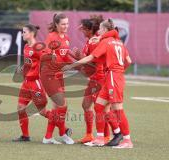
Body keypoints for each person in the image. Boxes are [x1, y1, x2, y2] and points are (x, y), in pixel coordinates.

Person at [62, 19, 133, 148]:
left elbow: (91, 58)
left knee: (118, 110)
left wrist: (73, 65)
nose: (98, 31)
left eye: (100, 29)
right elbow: (129, 60)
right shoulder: (118, 42)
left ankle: (127, 140)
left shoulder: (105, 41)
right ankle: (100, 138)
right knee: (99, 106)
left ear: (105, 30)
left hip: (112, 77)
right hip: (112, 76)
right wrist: (120, 70)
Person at [71, 16, 111, 144]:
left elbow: (93, 64)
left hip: (99, 78)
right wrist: (72, 56)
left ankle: (107, 136)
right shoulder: (90, 41)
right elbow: (85, 64)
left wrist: (78, 57)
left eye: (83, 29)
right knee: (86, 105)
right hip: (93, 78)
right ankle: (89, 135)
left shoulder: (94, 42)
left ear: (88, 30)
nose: (80, 30)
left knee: (101, 108)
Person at [12, 24, 51, 142]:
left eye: (24, 32)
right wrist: (22, 68)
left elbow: (47, 59)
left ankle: (64, 128)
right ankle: (25, 136)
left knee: (43, 112)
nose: (22, 34)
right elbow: (29, 63)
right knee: (20, 108)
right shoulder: (26, 47)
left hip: (35, 83)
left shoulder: (38, 47)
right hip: (26, 83)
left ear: (31, 33)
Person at [40, 13, 74, 144]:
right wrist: (49, 55)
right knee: (62, 106)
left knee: (57, 108)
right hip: (49, 75)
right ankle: (62, 133)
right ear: (56, 25)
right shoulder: (51, 37)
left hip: (59, 75)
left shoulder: (66, 38)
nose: (66, 26)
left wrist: (78, 64)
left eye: (67, 23)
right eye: (63, 24)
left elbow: (65, 57)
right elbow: (44, 54)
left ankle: (48, 137)